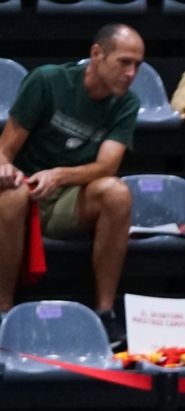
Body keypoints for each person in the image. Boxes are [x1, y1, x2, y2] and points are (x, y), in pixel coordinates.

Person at [0, 25, 143, 339]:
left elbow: (107, 165)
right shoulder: (48, 81)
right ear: (96, 54)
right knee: (11, 195)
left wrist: (60, 175)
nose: (131, 73)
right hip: (25, 192)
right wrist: (6, 170)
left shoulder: (126, 103)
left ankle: (105, 312)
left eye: (137, 65)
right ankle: (4, 312)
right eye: (124, 62)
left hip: (70, 197)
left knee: (117, 193)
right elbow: (4, 150)